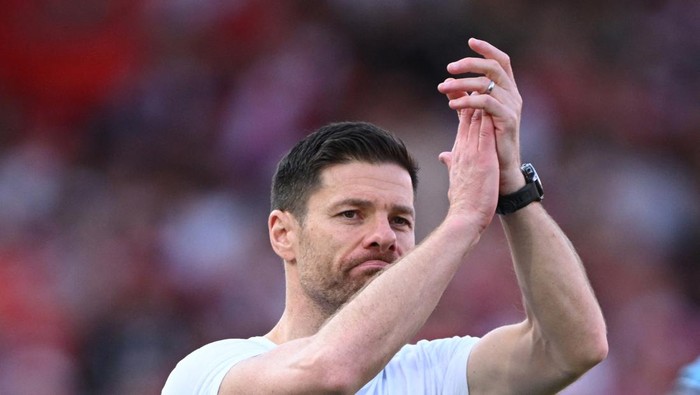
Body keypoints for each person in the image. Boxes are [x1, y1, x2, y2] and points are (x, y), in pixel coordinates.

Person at [162, 38, 608, 394]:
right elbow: (330, 373)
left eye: (400, 220)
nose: (382, 236)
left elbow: (574, 349)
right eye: (351, 214)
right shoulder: (210, 371)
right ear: (283, 234)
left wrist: (512, 186)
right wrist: (464, 219)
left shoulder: (437, 372)